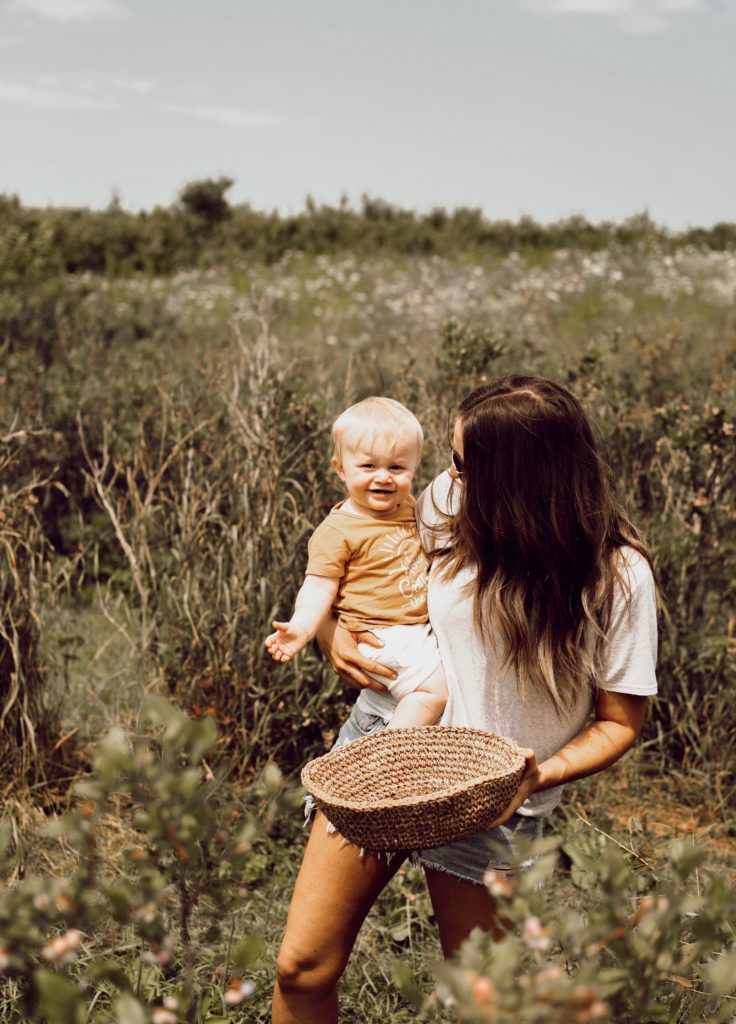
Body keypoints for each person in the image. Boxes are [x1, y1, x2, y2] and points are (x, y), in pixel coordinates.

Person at [271, 375, 658, 1024]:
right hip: (386, 748)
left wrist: (541, 772)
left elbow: (619, 720)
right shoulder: (451, 501)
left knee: (485, 1004)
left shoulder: (615, 576)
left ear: (519, 475)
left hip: (496, 795)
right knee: (300, 969)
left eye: (460, 460)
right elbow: (361, 567)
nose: (446, 474)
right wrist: (332, 634)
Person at [265, 396, 448, 731]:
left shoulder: (409, 507)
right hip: (378, 633)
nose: (384, 478)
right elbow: (318, 586)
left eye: (397, 467)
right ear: (340, 468)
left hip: (411, 631)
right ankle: (389, 755)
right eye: (368, 467)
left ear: (414, 467)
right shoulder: (337, 531)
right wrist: (303, 628)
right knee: (433, 693)